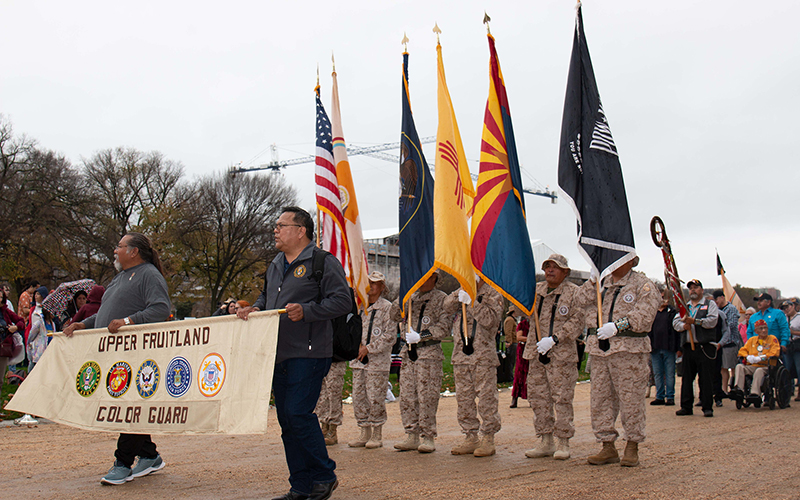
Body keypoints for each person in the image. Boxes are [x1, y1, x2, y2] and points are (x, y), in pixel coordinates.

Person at [237, 207, 350, 500]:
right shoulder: (275, 263)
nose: (275, 230)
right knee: (287, 421)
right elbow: (268, 297)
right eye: (275, 225)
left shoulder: (322, 262)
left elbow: (342, 301)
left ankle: (324, 475)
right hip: (278, 352)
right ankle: (300, 486)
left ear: (301, 231)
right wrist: (256, 308)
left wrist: (309, 311)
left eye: (281, 225)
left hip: (310, 353)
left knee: (298, 413)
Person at [64, 232, 171, 485]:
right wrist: (85, 324)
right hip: (114, 354)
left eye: (120, 246)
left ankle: (123, 463)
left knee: (129, 407)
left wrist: (128, 321)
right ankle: (149, 455)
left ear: (134, 251)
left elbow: (160, 308)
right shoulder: (119, 277)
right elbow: (106, 314)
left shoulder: (149, 276)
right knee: (127, 404)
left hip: (136, 354)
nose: (115, 250)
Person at [577, 256, 660, 468]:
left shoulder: (643, 285)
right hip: (600, 352)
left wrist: (618, 326)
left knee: (630, 399)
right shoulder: (602, 283)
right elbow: (578, 301)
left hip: (628, 351)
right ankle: (607, 445)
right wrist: (592, 281)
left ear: (633, 261)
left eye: (621, 258)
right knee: (600, 399)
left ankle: (632, 445)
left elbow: (644, 316)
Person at [523, 254, 584, 461]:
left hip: (561, 355)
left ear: (565, 272)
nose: (550, 270)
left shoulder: (574, 293)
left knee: (562, 398)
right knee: (538, 398)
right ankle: (545, 440)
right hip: (536, 352)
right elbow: (519, 309)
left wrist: (555, 338)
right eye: (547, 267)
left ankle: (563, 441)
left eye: (555, 267)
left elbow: (578, 321)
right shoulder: (535, 290)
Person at [390, 271, 449, 454]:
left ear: (435, 279)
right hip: (409, 354)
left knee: (427, 397)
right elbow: (394, 315)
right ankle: (411, 434)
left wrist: (422, 335)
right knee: (408, 396)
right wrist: (403, 294)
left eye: (428, 276)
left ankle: (428, 436)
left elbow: (444, 327)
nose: (423, 279)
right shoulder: (411, 297)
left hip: (428, 353)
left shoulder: (441, 298)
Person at [444, 278, 504, 457]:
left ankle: (488, 438)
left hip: (483, 356)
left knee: (486, 399)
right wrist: (458, 295)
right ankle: (470, 436)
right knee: (464, 400)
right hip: (462, 356)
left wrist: (472, 302)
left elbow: (490, 320)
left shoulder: (493, 293)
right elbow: (446, 306)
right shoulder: (461, 290)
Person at [349, 271, 395, 450]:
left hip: (377, 361)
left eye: (375, 283)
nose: (371, 286)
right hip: (359, 361)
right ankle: (364, 430)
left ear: (382, 287)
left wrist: (369, 348)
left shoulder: (387, 308)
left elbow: (390, 336)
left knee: (375, 397)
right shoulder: (359, 306)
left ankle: (377, 432)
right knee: (359, 396)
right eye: (368, 283)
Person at [672, 280, 719, 418]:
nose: (693, 290)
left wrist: (696, 322)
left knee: (705, 378)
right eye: (691, 288)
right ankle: (686, 406)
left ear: (702, 290)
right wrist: (683, 326)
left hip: (704, 346)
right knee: (686, 378)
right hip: (688, 347)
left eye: (696, 288)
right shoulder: (684, 307)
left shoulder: (709, 305)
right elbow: (675, 322)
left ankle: (707, 407)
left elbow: (712, 321)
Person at [731, 319, 781, 405]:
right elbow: (742, 350)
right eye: (761, 328)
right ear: (756, 331)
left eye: (765, 328)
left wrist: (763, 357)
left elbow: (775, 352)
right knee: (739, 366)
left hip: (766, 366)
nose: (764, 330)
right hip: (752, 365)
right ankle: (738, 390)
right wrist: (747, 357)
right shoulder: (751, 340)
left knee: (759, 371)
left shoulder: (772, 339)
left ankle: (755, 393)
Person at [649, 288, 679, 406]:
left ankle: (670, 396)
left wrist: (678, 348)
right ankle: (659, 396)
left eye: (664, 297)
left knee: (670, 373)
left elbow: (676, 331)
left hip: (669, 347)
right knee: (657, 373)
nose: (662, 300)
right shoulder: (652, 313)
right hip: (655, 347)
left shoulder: (672, 312)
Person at [713, 290, 742, 397]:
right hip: (720, 343)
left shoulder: (731, 309)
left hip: (730, 343)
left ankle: (735, 387)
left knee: (732, 367)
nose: (716, 302)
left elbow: (732, 325)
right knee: (722, 368)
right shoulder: (715, 310)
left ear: (722, 297)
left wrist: (720, 326)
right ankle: (723, 390)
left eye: (716, 299)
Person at [0, 287, 25, 394]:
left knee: (0, 379)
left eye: (1, 297)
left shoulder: (6, 311)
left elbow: (21, 321)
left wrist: (15, 328)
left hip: (3, 348)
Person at [779, 299, 800, 401]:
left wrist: (793, 332)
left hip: (797, 345)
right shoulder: (784, 318)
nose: (786, 309)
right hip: (787, 345)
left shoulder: (799, 317)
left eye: (788, 307)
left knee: (799, 368)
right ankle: (787, 390)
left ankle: (799, 392)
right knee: (787, 368)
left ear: (793, 306)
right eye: (784, 308)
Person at [509, 315, 529, 408]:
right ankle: (515, 398)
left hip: (532, 351)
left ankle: (532, 398)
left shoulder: (535, 324)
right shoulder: (522, 324)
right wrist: (530, 339)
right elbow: (519, 337)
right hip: (522, 350)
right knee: (519, 375)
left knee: (531, 375)